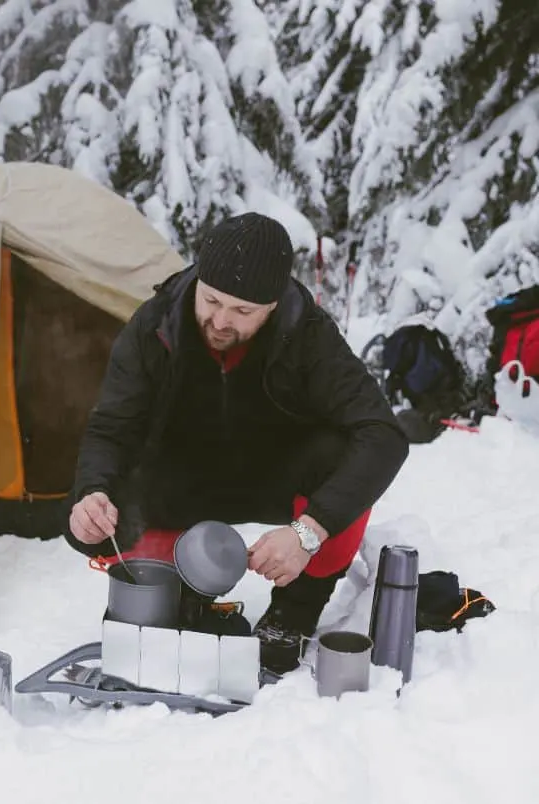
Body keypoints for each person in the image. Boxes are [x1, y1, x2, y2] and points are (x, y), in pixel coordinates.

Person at [65, 212, 409, 675]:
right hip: (180, 477)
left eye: (243, 311)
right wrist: (93, 492)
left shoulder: (307, 333)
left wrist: (308, 532)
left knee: (342, 455)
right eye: (211, 300)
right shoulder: (156, 324)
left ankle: (292, 613)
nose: (221, 321)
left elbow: (384, 436)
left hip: (273, 475)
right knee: (95, 513)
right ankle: (170, 591)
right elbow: (111, 426)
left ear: (272, 305)